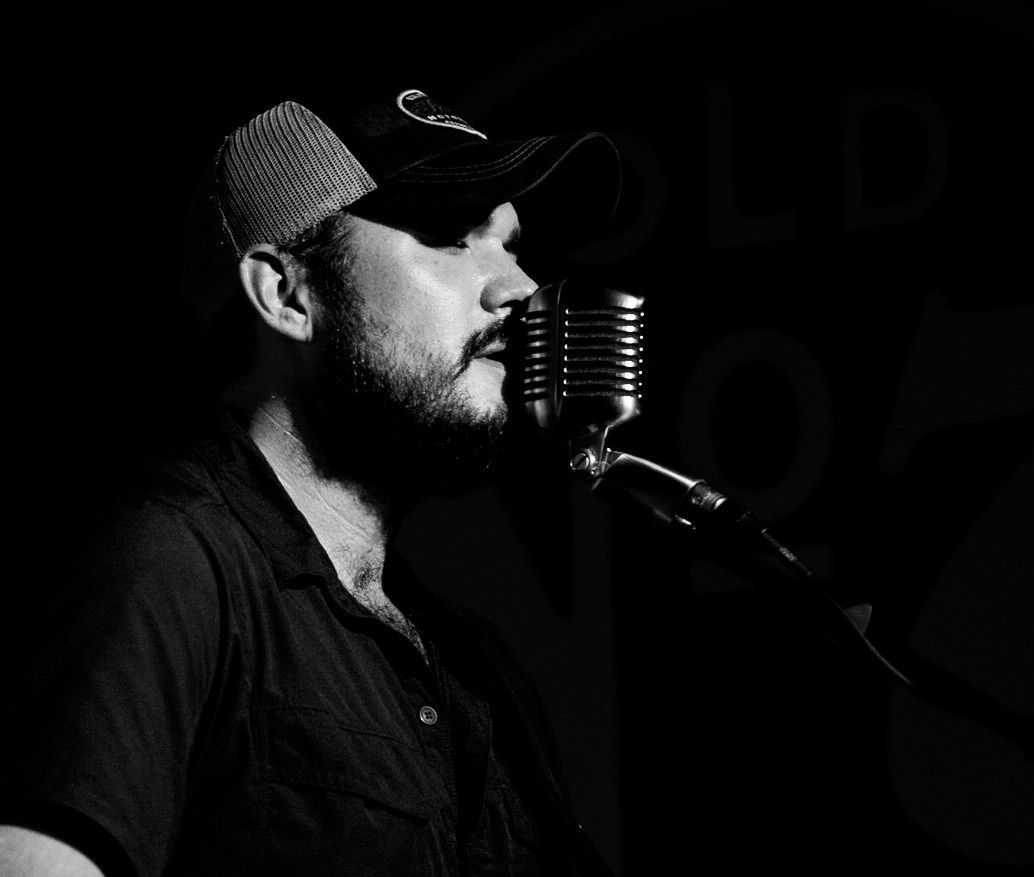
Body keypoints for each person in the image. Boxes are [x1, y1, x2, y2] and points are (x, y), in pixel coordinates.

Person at [0, 83, 621, 876]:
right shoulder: (165, 561)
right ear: (287, 294)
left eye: (511, 244)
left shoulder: (478, 668)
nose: (521, 289)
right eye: (448, 237)